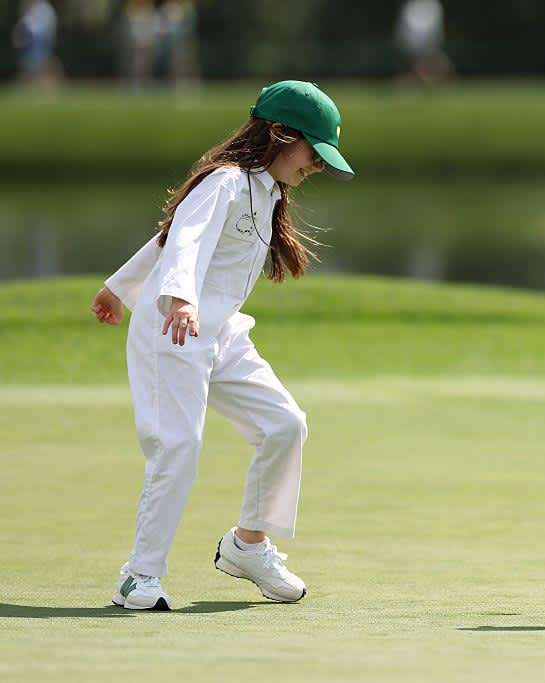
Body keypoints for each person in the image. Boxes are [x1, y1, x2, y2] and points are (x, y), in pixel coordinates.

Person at [91, 81, 355, 610]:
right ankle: (138, 576)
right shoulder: (226, 182)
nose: (317, 167)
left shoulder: (269, 190)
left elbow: (167, 236)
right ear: (280, 134)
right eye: (313, 154)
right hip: (175, 326)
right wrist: (178, 298)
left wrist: (117, 285)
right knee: (180, 447)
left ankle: (248, 545)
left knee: (285, 425)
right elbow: (184, 240)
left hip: (221, 330)